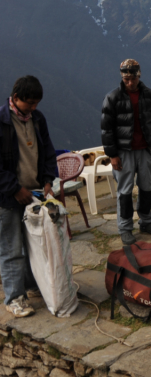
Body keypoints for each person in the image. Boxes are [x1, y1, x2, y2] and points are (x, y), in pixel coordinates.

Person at [0, 76, 57, 317]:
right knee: (12, 248)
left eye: (36, 103)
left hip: (34, 194)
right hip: (8, 196)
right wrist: (14, 188)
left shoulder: (38, 118)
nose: (33, 108)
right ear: (15, 98)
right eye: (29, 103)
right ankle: (14, 297)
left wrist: (47, 180)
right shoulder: (1, 122)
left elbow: (47, 151)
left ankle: (32, 286)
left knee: (35, 245)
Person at [101, 59, 151, 246]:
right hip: (123, 152)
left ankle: (146, 221)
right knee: (125, 191)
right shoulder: (113, 98)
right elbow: (106, 129)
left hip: (145, 149)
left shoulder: (149, 96)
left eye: (133, 78)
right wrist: (112, 154)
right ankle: (125, 228)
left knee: (147, 187)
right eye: (126, 79)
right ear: (122, 77)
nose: (130, 82)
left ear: (139, 76)